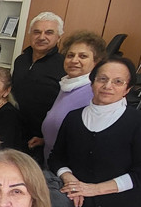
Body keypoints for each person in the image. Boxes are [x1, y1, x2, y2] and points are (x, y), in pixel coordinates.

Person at [48, 57, 141, 207]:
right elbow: (56, 157)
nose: (108, 86)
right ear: (92, 83)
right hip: (74, 206)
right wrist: (70, 180)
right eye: (102, 79)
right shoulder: (74, 118)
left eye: (118, 81)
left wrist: (93, 189)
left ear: (127, 89)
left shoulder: (140, 122)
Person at [42, 31, 106, 164]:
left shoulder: (94, 92)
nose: (74, 60)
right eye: (70, 55)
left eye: (83, 56)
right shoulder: (67, 85)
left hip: (69, 167)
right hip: (51, 158)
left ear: (96, 62)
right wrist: (45, 139)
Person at [11, 12, 65, 164]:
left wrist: (47, 138)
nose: (42, 37)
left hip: (41, 140)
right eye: (37, 32)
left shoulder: (63, 65)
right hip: (15, 132)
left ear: (59, 37)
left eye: (49, 32)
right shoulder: (21, 60)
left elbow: (65, 108)